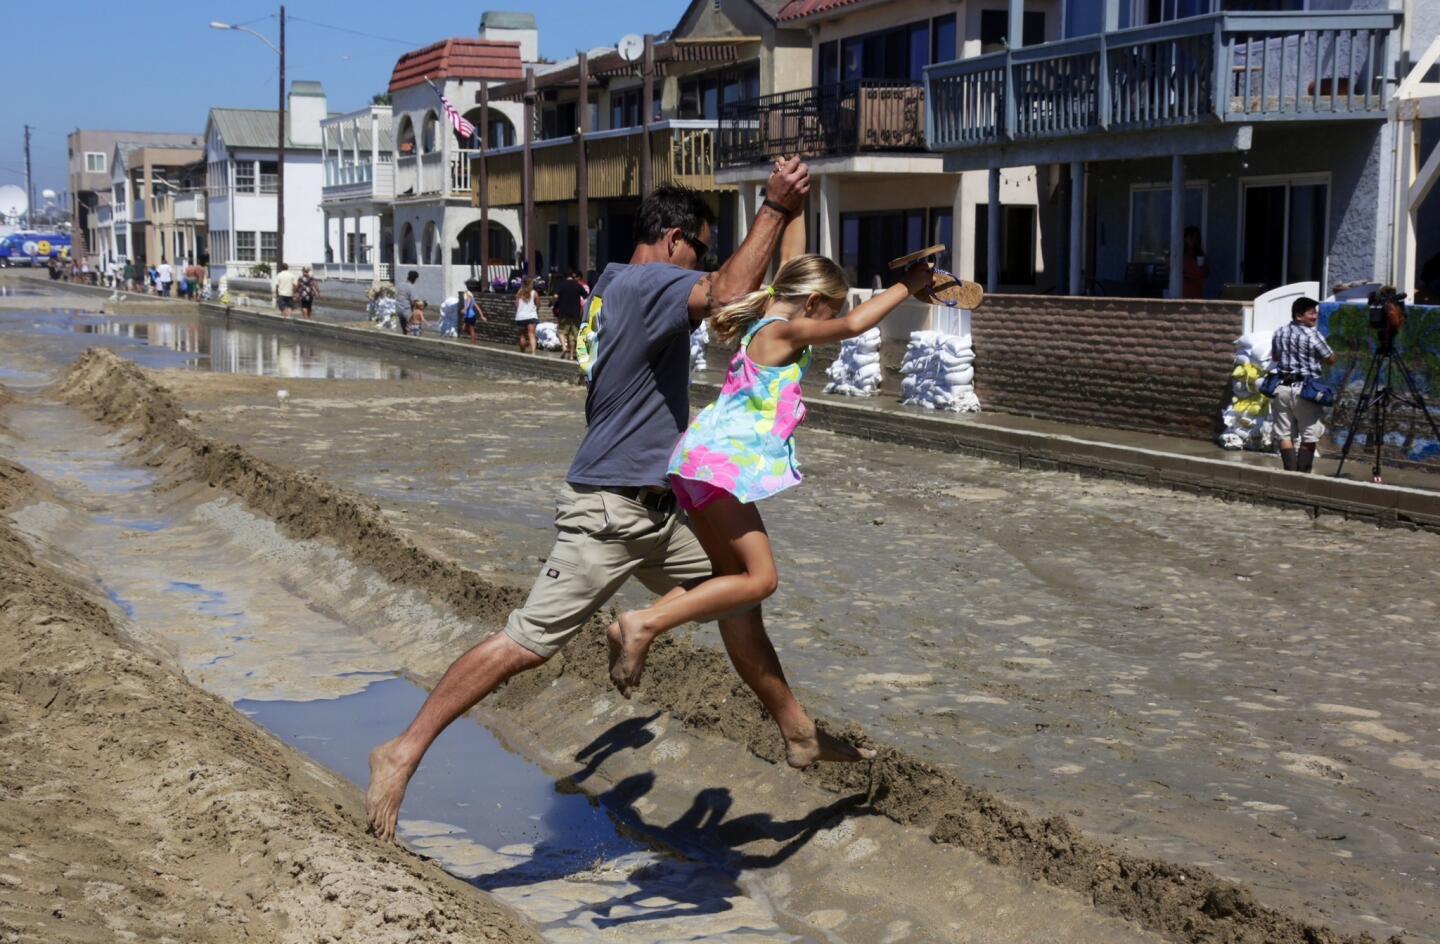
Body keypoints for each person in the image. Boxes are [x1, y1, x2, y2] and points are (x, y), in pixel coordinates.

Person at [365, 163, 881, 845]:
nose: (703, 265)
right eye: (699, 249)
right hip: (608, 508)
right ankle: (401, 753)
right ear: (672, 242)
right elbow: (729, 288)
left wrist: (788, 225)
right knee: (528, 641)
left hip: (660, 506)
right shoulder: (646, 283)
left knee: (738, 597)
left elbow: (761, 289)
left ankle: (798, 732)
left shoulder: (615, 283)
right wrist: (773, 206)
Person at [609, 254, 935, 694]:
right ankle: (643, 622)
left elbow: (793, 263)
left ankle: (635, 627)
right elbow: (855, 326)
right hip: (719, 467)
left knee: (729, 580)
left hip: (696, 461)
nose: (831, 320)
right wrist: (909, 286)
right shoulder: (784, 329)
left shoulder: (764, 318)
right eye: (830, 310)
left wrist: (794, 206)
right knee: (762, 579)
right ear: (814, 301)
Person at [1269, 296, 1336, 474]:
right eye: (1311, 313)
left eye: (1315, 313)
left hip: (1281, 387)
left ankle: (1289, 475)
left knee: (1284, 434)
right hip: (1305, 391)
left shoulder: (1280, 332)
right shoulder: (1313, 336)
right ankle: (1302, 475)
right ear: (1299, 316)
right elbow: (1330, 359)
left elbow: (1275, 357)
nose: (1314, 317)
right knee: (1309, 434)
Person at [551, 270, 586, 360]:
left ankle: (564, 347)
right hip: (575, 313)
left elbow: (555, 297)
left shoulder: (561, 284)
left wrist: (552, 303)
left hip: (564, 313)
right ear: (572, 276)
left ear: (564, 276)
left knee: (561, 331)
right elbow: (586, 295)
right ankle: (571, 356)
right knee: (572, 335)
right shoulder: (577, 285)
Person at [1181, 226, 1208, 299]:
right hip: (1184, 290)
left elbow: (1205, 273)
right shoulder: (1180, 254)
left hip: (1196, 291)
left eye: (1196, 238)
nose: (1193, 240)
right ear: (1185, 238)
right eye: (1191, 237)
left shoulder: (1199, 254)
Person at [514, 278, 539, 353]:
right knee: (531, 334)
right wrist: (535, 309)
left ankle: (522, 351)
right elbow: (538, 304)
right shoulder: (534, 293)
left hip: (520, 317)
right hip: (531, 316)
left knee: (522, 335)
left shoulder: (519, 293)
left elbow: (516, 305)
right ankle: (533, 352)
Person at [395, 270, 419, 335]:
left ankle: (404, 338)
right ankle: (409, 341)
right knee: (410, 328)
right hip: (406, 310)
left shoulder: (400, 285)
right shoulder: (411, 287)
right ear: (414, 279)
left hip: (398, 309)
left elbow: (397, 296)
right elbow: (414, 301)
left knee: (404, 328)